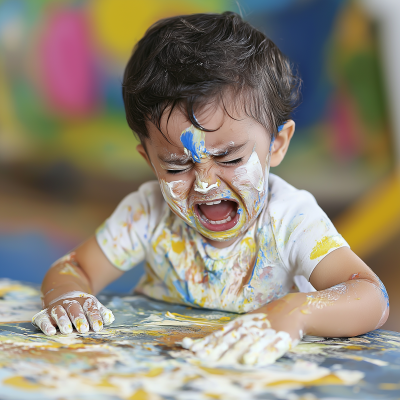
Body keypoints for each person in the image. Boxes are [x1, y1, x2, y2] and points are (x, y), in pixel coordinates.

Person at [32, 12, 389, 365]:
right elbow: (75, 266)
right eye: (176, 165)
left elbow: (371, 296)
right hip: (166, 368)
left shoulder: (291, 220)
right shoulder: (148, 211)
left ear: (277, 144)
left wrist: (295, 311)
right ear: (149, 160)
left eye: (230, 159)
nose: (205, 183)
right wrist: (69, 296)